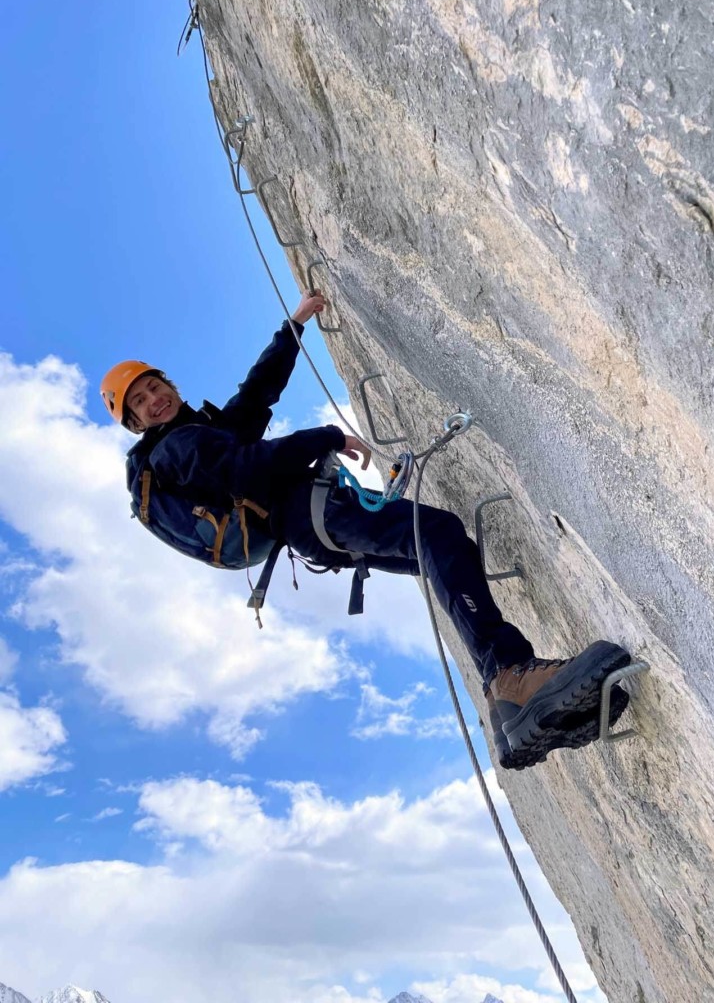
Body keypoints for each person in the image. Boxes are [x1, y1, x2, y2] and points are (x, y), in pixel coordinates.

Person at [101, 290, 631, 769]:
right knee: (438, 535)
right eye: (141, 402)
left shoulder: (200, 433)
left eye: (154, 386)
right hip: (309, 513)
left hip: (310, 527)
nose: (154, 398)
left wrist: (293, 327)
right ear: (135, 423)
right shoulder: (178, 448)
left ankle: (509, 708)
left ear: (168, 383)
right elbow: (247, 469)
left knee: (437, 552)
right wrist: (326, 434)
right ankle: (511, 676)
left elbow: (255, 396)